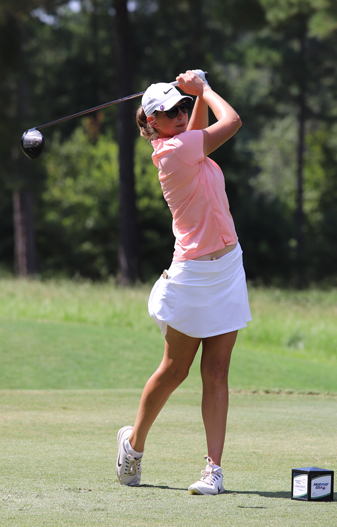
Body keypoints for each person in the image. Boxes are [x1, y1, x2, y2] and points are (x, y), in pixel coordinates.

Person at [116, 70, 251, 495]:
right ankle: (133, 446)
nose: (179, 114)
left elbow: (197, 130)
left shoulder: (185, 143)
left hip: (227, 267)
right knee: (175, 369)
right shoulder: (173, 152)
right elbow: (232, 121)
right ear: (152, 122)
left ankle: (214, 470)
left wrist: (196, 97)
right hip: (193, 274)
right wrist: (204, 89)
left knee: (217, 371)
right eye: (170, 111)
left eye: (182, 106)